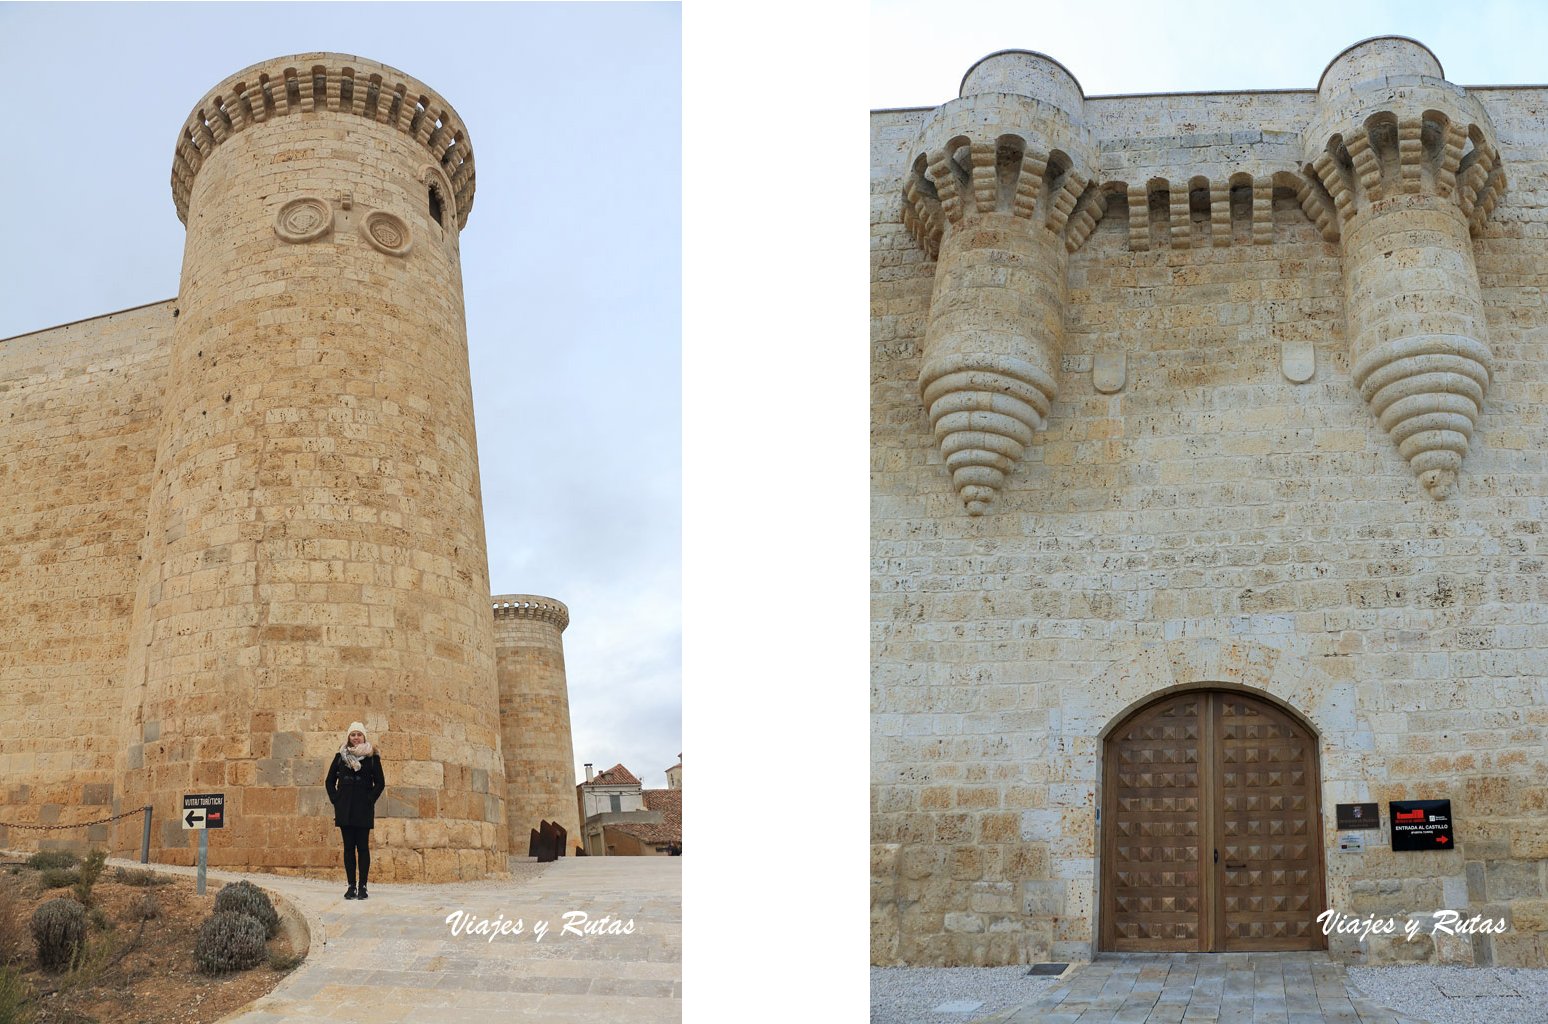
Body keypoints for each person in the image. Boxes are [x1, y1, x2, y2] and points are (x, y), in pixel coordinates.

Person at [325, 721, 385, 900]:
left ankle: (363, 886)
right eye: (353, 735)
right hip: (345, 808)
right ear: (348, 737)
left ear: (364, 736)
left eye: (359, 734)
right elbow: (329, 781)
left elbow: (380, 783)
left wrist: (370, 799)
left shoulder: (372, 757)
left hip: (363, 809)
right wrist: (336, 799)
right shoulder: (340, 756)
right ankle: (351, 886)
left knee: (363, 848)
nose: (356, 737)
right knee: (349, 849)